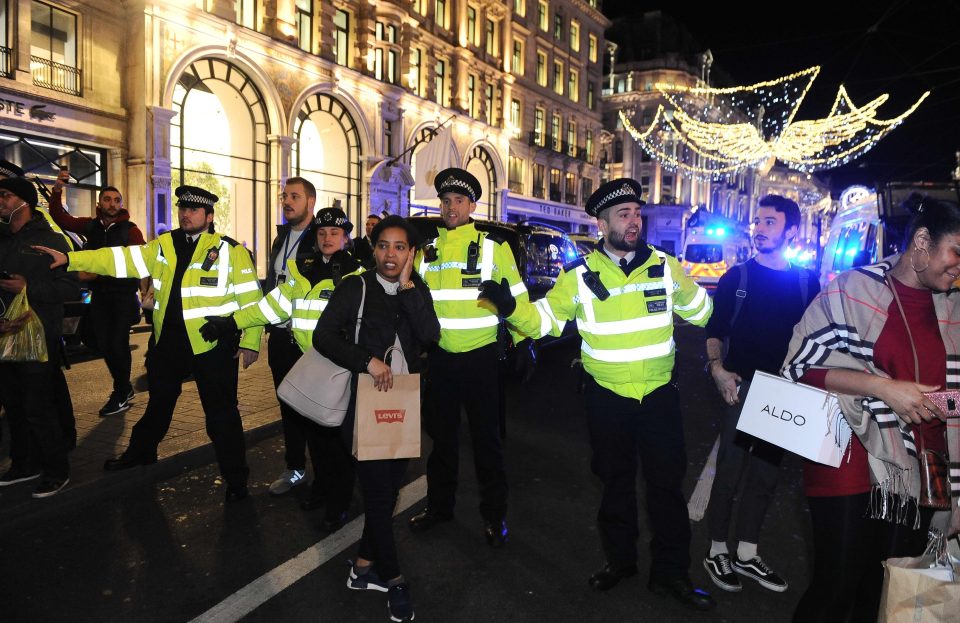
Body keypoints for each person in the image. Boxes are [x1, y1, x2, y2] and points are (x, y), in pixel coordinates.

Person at [491, 178, 716, 610]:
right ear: (602, 223)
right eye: (623, 215)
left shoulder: (666, 266)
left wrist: (702, 299)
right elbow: (544, 323)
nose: (634, 222)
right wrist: (510, 309)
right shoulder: (577, 276)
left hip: (658, 397)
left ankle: (671, 574)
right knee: (614, 485)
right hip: (607, 399)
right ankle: (621, 562)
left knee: (666, 488)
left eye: (636, 213)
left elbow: (703, 311)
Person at [782, 197, 960, 622]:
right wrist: (884, 389)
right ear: (921, 242)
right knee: (837, 586)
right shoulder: (852, 289)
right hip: (848, 452)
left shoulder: (953, 307)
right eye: (957, 252)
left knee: (886, 589)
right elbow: (798, 366)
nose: (959, 268)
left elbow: (955, 402)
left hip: (920, 470)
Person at [35, 185, 263, 502]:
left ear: (209, 217)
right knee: (158, 405)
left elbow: (251, 297)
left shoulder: (230, 251)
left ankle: (236, 478)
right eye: (183, 208)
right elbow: (120, 259)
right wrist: (71, 259)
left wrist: (251, 340)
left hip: (212, 347)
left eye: (194, 210)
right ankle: (141, 453)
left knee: (221, 415)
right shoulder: (164, 245)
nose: (186, 214)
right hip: (167, 344)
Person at [202, 206, 362, 531]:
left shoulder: (358, 275)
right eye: (322, 233)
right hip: (310, 364)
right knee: (316, 436)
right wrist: (232, 323)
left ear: (346, 237)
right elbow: (272, 306)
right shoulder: (301, 270)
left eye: (335, 233)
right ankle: (321, 489)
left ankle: (339, 502)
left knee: (336, 441)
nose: (328, 238)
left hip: (343, 368)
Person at [314, 214, 440, 623]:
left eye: (400, 247)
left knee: (389, 492)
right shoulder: (356, 286)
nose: (390, 254)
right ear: (373, 248)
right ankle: (395, 580)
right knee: (380, 496)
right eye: (384, 245)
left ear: (411, 253)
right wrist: (365, 360)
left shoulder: (414, 288)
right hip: (363, 404)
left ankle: (362, 568)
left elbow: (430, 334)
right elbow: (323, 336)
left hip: (403, 404)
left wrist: (407, 288)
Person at [702, 195, 819, 593]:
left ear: (790, 230)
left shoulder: (806, 281)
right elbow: (715, 329)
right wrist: (718, 370)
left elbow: (813, 340)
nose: (759, 228)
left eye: (769, 222)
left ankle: (747, 553)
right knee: (730, 475)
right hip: (743, 388)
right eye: (757, 221)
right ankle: (717, 548)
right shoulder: (737, 277)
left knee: (765, 477)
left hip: (784, 394)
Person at [408, 167, 529, 547]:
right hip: (441, 360)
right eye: (445, 201)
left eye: (458, 201)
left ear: (472, 204)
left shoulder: (494, 247)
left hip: (480, 360)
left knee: (486, 443)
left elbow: (519, 300)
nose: (450, 207)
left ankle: (494, 516)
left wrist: (524, 341)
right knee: (441, 442)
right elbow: (412, 294)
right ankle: (440, 508)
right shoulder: (429, 249)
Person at [0, 176, 79, 497]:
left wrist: (28, 289)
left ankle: (56, 470)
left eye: (5, 195)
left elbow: (70, 288)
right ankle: (24, 464)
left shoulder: (51, 241)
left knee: (38, 406)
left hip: (38, 337)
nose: (0, 201)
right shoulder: (2, 240)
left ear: (25, 201)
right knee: (14, 406)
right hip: (4, 337)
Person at [48, 169, 146, 416]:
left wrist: (101, 274)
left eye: (116, 200)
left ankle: (122, 391)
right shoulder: (91, 226)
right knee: (102, 343)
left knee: (117, 343)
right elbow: (61, 219)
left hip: (123, 296)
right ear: (99, 203)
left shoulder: (130, 230)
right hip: (100, 296)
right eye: (107, 199)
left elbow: (139, 262)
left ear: (121, 204)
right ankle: (123, 388)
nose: (112, 204)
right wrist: (58, 189)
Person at [259, 177, 323, 497]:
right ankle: (295, 468)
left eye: (294, 196)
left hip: (310, 340)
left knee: (315, 408)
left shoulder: (322, 238)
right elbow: (272, 285)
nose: (287, 201)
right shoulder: (280, 238)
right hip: (281, 336)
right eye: (285, 196)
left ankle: (325, 473)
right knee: (288, 404)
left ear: (310, 202)